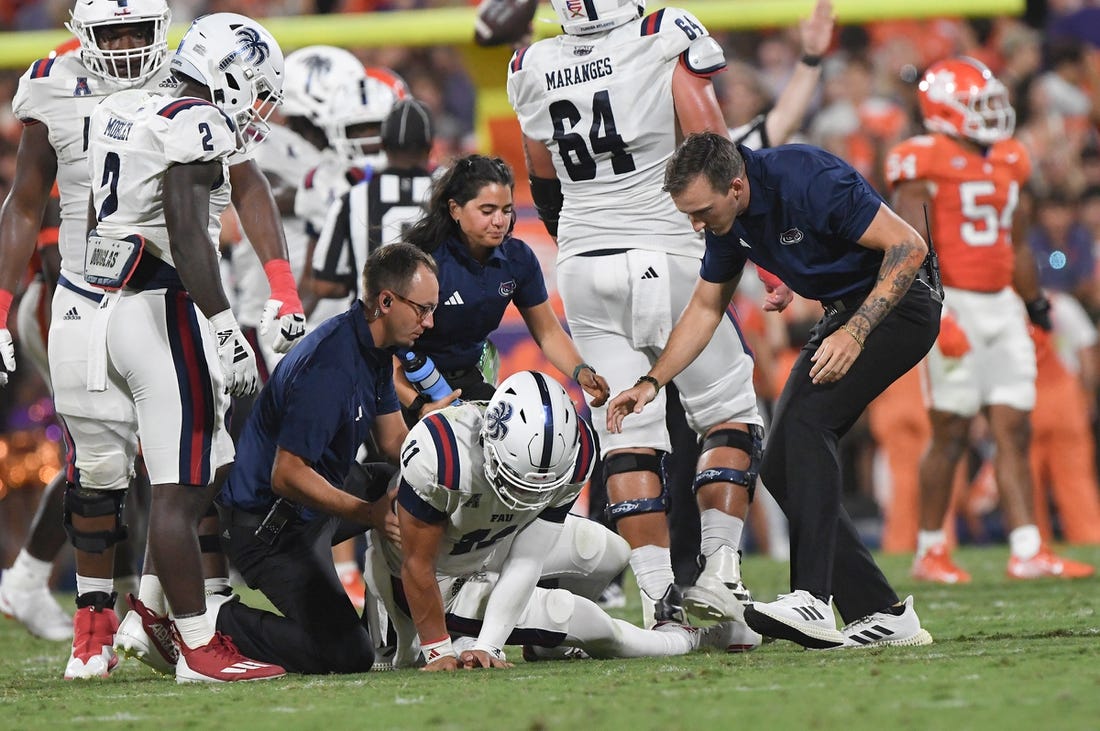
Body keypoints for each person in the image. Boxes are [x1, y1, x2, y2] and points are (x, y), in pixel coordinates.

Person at [610, 131, 939, 649]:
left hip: (899, 308)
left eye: (700, 211)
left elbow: (909, 246)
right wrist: (653, 381)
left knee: (810, 425)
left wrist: (857, 331)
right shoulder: (730, 214)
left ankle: (810, 596)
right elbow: (704, 307)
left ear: (736, 186)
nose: (695, 224)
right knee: (783, 466)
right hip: (842, 313)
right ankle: (878, 611)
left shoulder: (808, 177)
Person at [508, 0, 764, 629]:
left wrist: (582, 237)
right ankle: (720, 576)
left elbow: (542, 178)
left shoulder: (532, 60)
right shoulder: (659, 33)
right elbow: (713, 151)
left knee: (629, 434)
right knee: (728, 414)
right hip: (669, 250)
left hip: (583, 262)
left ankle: (657, 604)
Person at [77, 12, 297, 682]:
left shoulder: (125, 103)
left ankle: (148, 607)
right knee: (179, 485)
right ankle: (197, 646)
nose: (256, 107)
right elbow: (186, 228)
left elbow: (100, 215)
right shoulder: (194, 118)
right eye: (254, 88)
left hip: (113, 302)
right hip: (164, 303)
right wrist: (224, 324)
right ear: (228, 73)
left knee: (209, 467)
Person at [370, 370, 758, 670]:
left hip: (492, 544)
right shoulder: (442, 453)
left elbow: (528, 557)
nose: (530, 496)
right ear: (489, 444)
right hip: (436, 577)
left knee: (608, 552)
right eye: (517, 482)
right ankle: (694, 640)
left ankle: (542, 643)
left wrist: (490, 645)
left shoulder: (578, 449)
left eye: (542, 486)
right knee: (583, 620)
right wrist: (438, 652)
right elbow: (415, 563)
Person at [886, 57, 1094, 583]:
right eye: (978, 104)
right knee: (951, 430)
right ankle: (930, 550)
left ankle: (1027, 548)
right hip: (953, 300)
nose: (992, 113)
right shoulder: (921, 159)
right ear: (944, 109)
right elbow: (912, 246)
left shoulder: (1010, 159)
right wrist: (936, 312)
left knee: (1015, 428)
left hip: (1001, 301)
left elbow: (1017, 241)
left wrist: (1033, 302)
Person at [214, 243, 438, 674]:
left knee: (415, 485)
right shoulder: (330, 366)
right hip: (271, 528)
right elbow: (288, 475)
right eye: (423, 309)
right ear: (386, 301)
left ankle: (399, 620)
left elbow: (394, 442)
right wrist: (370, 512)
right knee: (346, 655)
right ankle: (214, 621)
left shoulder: (375, 345)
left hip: (316, 502)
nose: (430, 322)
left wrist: (445, 450)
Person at [390, 155, 609, 417]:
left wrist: (580, 371)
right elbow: (385, 354)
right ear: (454, 209)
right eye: (487, 210)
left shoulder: (518, 259)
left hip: (466, 383)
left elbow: (548, 331)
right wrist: (419, 406)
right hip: (404, 389)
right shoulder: (425, 265)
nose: (499, 221)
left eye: (506, 210)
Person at [312, 98, 437, 308]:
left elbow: (325, 285)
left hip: (373, 327)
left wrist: (363, 281)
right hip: (433, 326)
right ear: (430, 146)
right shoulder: (449, 198)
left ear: (383, 145)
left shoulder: (352, 198)